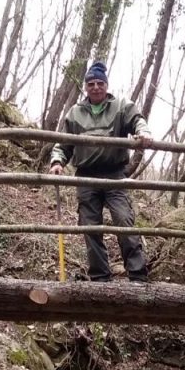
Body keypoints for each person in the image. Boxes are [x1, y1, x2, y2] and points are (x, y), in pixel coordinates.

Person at [48, 61, 154, 282]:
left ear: (106, 85)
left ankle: (137, 275)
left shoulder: (120, 106)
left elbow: (137, 120)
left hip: (115, 174)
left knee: (124, 220)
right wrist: (57, 161)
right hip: (86, 175)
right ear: (86, 87)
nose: (96, 87)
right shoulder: (75, 113)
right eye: (91, 84)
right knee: (89, 226)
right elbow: (62, 143)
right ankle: (100, 277)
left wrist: (142, 132)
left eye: (100, 83)